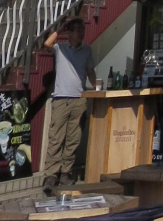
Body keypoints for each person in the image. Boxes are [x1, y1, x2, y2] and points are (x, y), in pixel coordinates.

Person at [42, 16, 95, 194]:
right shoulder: (60, 48)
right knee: (56, 137)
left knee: (73, 138)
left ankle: (66, 172)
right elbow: (47, 44)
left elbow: (90, 71)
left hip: (79, 99)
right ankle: (51, 175)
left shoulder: (87, 50)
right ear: (70, 33)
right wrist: (60, 30)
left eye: (83, 30)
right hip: (61, 99)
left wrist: (97, 88)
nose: (82, 34)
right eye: (78, 30)